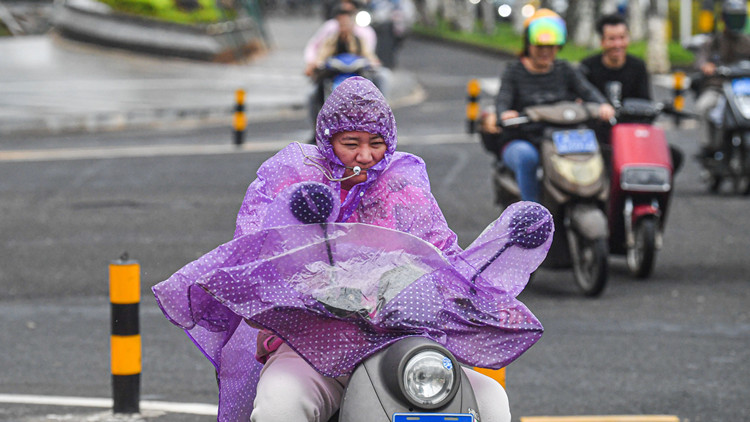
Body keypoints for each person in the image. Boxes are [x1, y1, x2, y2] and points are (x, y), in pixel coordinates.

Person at [154, 77, 528, 422]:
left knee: (490, 399)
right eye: (351, 143)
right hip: (311, 342)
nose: (364, 155)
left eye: (376, 144)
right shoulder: (292, 181)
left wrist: (477, 288)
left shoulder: (406, 189)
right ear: (327, 141)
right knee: (279, 405)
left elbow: (443, 255)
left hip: (401, 339)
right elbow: (256, 254)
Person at [494, 9, 615, 202]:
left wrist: (603, 106)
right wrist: (506, 114)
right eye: (539, 46)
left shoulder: (565, 69)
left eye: (551, 46)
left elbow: (589, 93)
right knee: (527, 158)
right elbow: (502, 102)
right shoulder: (513, 71)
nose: (545, 51)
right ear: (528, 44)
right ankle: (532, 217)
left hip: (560, 138)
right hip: (523, 139)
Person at [579, 13, 683, 173]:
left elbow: (645, 102)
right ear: (602, 41)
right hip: (599, 133)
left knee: (672, 156)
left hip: (632, 133)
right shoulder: (587, 66)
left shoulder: (638, 66)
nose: (617, 44)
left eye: (622, 37)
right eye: (612, 39)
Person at [304, 2, 391, 130]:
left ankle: (381, 120)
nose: (344, 24)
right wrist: (314, 64)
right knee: (312, 95)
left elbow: (369, 54)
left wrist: (373, 62)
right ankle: (316, 129)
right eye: (341, 21)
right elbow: (320, 52)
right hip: (334, 74)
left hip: (358, 73)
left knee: (383, 78)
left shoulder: (361, 37)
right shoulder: (331, 36)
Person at [693, 0, 750, 158]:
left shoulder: (747, 42)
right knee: (703, 107)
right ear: (724, 19)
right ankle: (709, 147)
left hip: (743, 90)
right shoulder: (714, 42)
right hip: (719, 88)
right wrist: (706, 66)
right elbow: (700, 59)